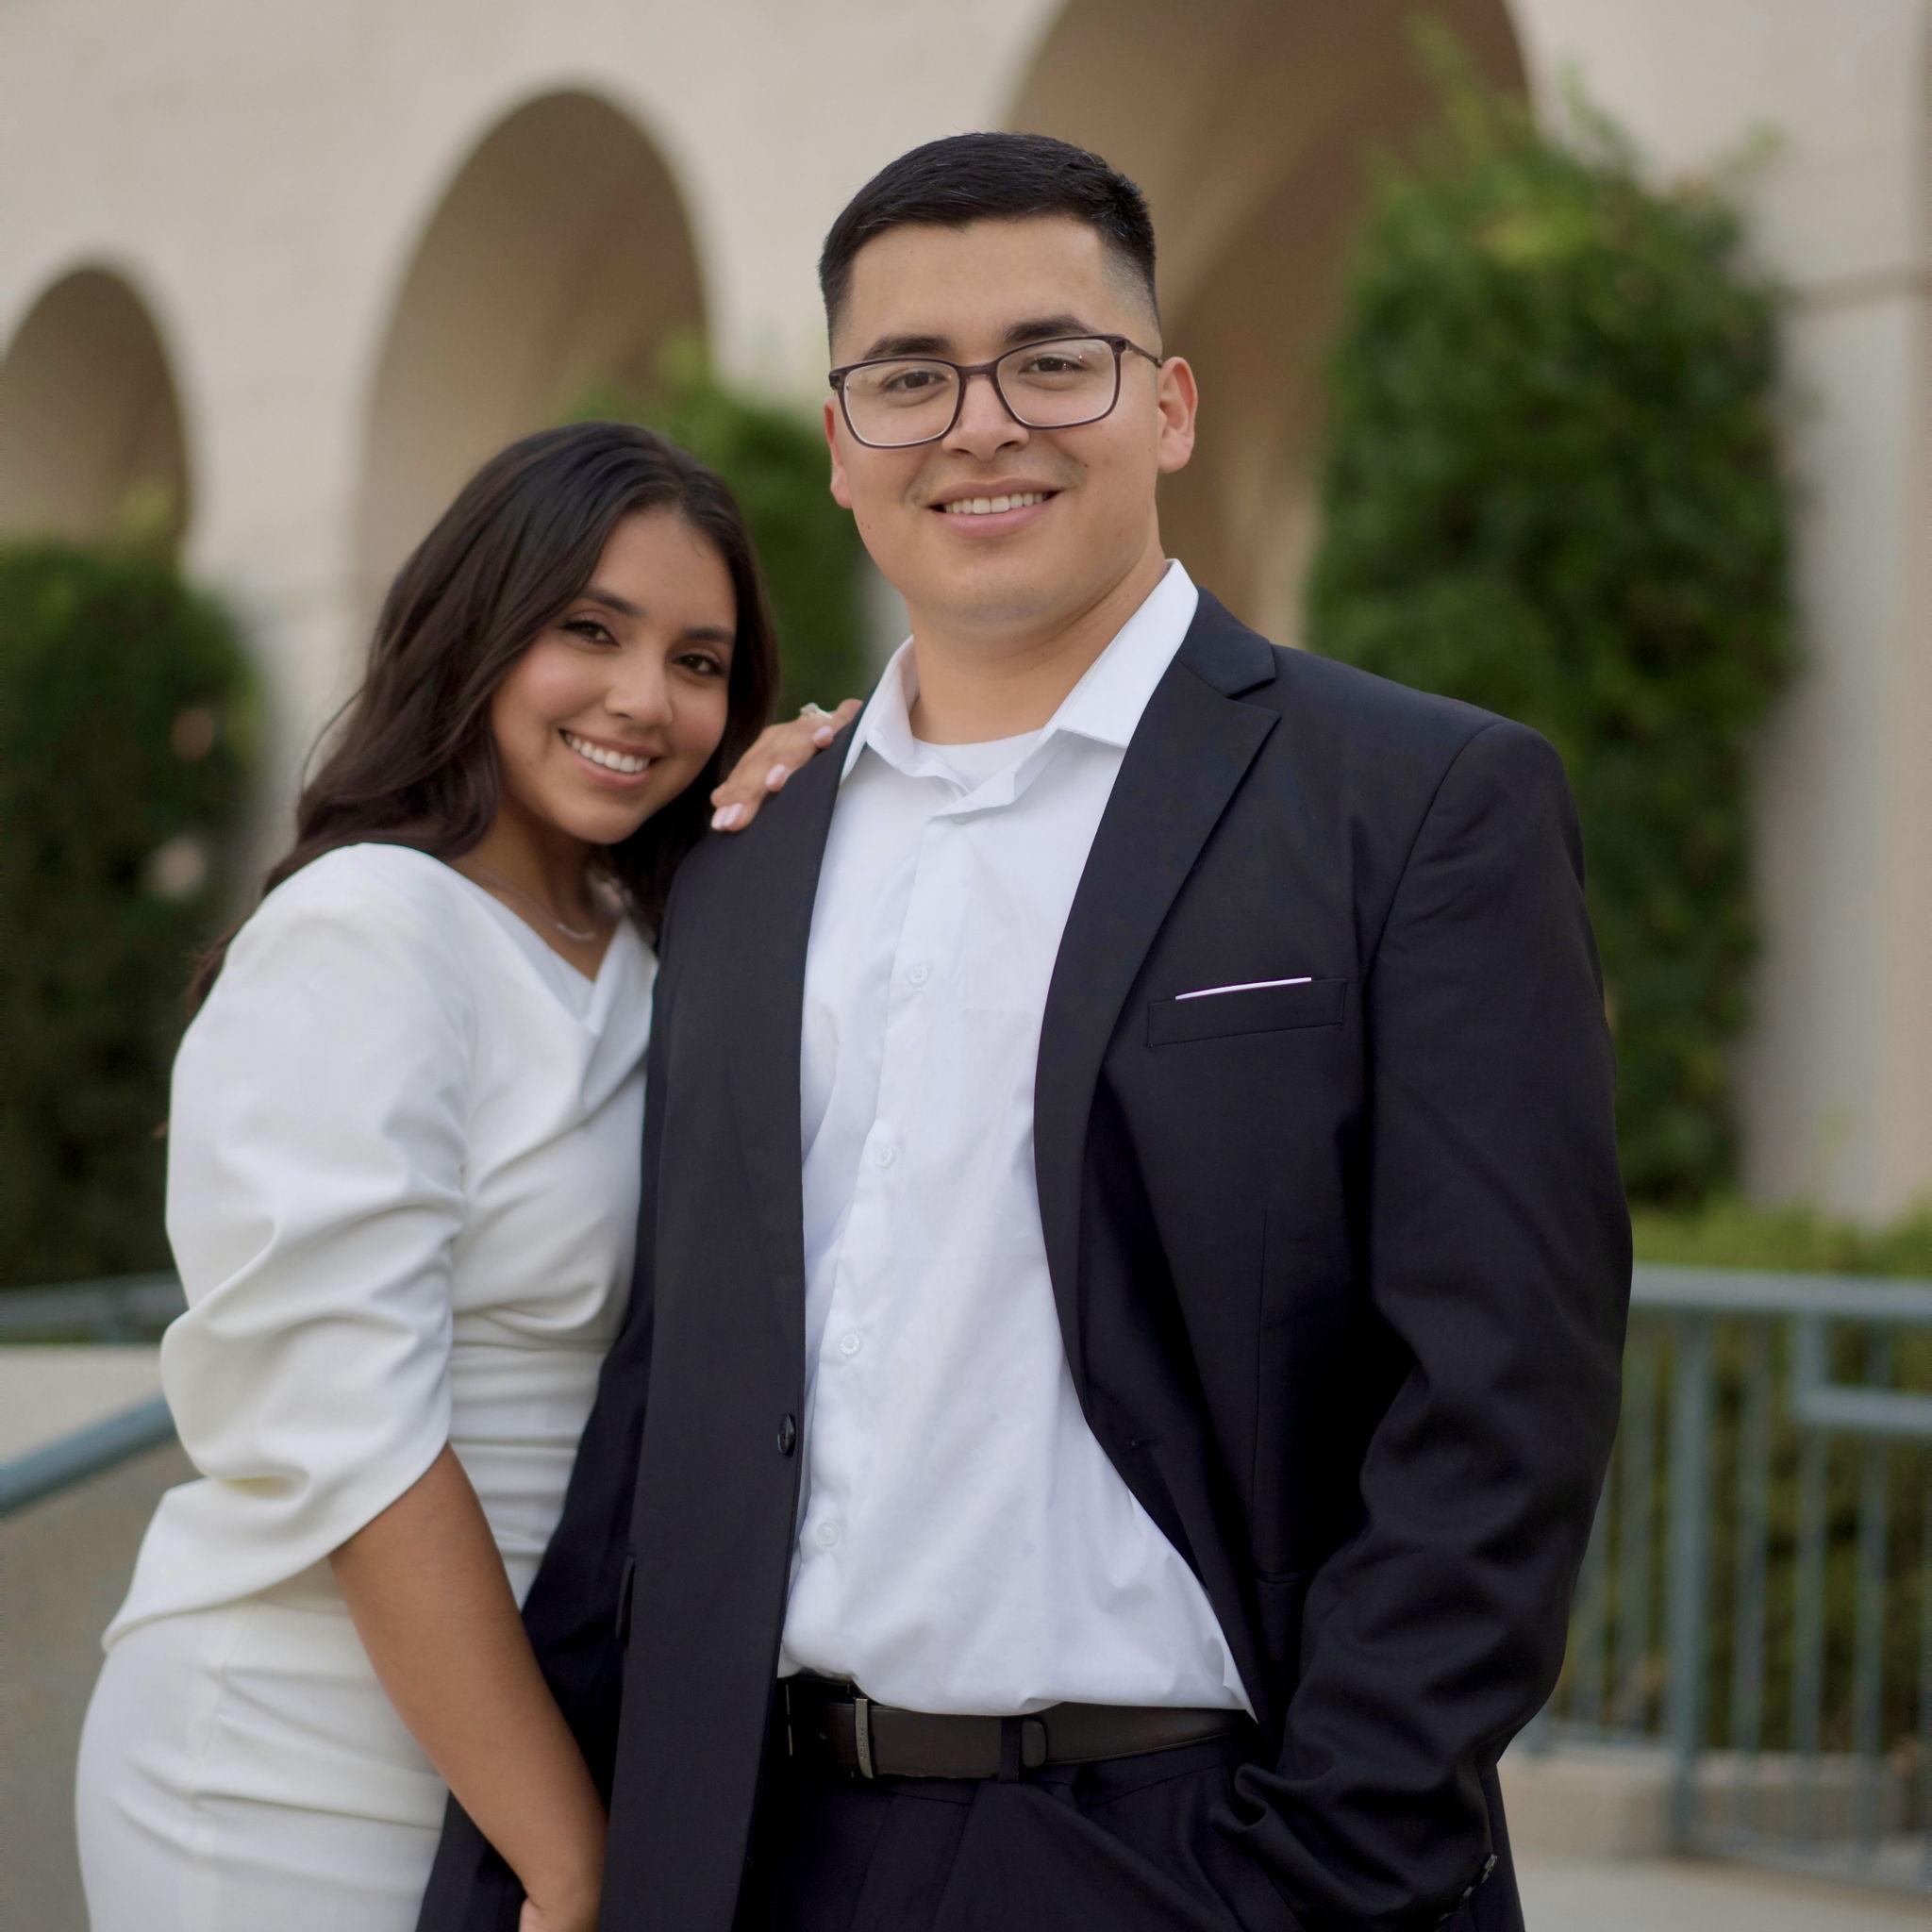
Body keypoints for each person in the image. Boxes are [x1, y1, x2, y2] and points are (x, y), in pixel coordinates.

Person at [421, 134, 1630, 1932]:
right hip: (764, 1851)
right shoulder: (749, 856)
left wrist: (1325, 1864)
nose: (980, 426)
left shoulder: (1418, 802)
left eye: (1054, 362)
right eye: (909, 378)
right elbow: (668, 1406)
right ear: (844, 447)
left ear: (1171, 406)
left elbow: (1503, 1397)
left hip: (1201, 1850)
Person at [74, 421, 856, 1932]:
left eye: (699, 662)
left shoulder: (655, 951)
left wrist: (808, 831)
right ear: (478, 631)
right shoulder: (369, 930)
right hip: (298, 1766)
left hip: (559, 1745)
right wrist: (566, 1858)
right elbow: (353, 1433)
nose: (646, 699)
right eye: (590, 632)